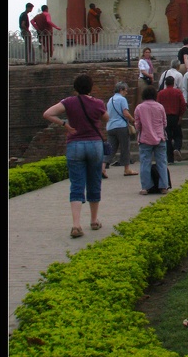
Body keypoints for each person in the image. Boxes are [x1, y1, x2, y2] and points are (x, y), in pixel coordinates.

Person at [42, 73, 108, 238]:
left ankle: (76, 224)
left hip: (75, 144)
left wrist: (65, 124)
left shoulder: (69, 102)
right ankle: (93, 220)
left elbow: (48, 113)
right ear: (91, 87)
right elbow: (107, 118)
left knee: (77, 184)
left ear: (75, 88)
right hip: (94, 144)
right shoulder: (97, 103)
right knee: (94, 181)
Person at [134, 86, 168, 195]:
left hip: (145, 138)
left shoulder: (139, 108)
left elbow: (138, 125)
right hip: (160, 137)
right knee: (162, 162)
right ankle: (164, 186)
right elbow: (164, 123)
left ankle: (146, 187)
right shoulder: (160, 107)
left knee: (145, 163)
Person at [106, 82, 137, 177]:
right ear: (121, 90)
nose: (126, 93)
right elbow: (125, 113)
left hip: (110, 126)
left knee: (110, 149)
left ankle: (102, 168)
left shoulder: (110, 100)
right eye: (125, 91)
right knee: (125, 148)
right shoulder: (122, 99)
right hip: (121, 126)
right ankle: (126, 169)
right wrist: (132, 120)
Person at [157, 75, 187, 163]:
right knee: (178, 135)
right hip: (175, 116)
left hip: (165, 117)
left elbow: (158, 106)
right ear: (173, 83)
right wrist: (181, 115)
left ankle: (170, 158)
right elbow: (183, 104)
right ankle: (177, 148)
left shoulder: (161, 93)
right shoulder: (177, 92)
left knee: (167, 137)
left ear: (165, 83)